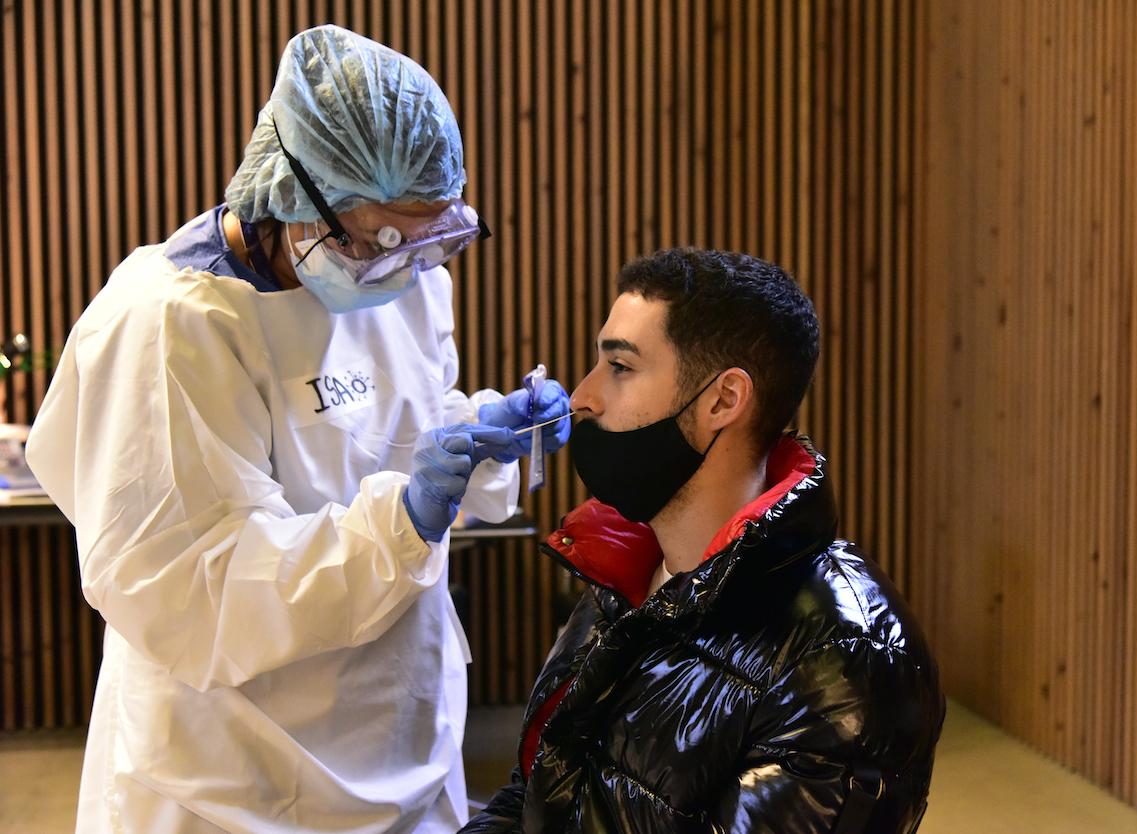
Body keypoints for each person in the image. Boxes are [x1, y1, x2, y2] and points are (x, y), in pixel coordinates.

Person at [25, 25, 569, 834]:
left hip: (401, 739)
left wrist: (479, 436)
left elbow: (399, 429)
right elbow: (199, 590)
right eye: (381, 240)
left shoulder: (408, 282)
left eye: (428, 238)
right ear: (292, 191)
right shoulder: (172, 325)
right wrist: (404, 518)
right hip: (232, 778)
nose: (406, 266)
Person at [462, 249, 944, 834]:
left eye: (620, 367)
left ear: (723, 401)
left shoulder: (845, 665)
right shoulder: (621, 579)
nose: (581, 397)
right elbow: (536, 792)